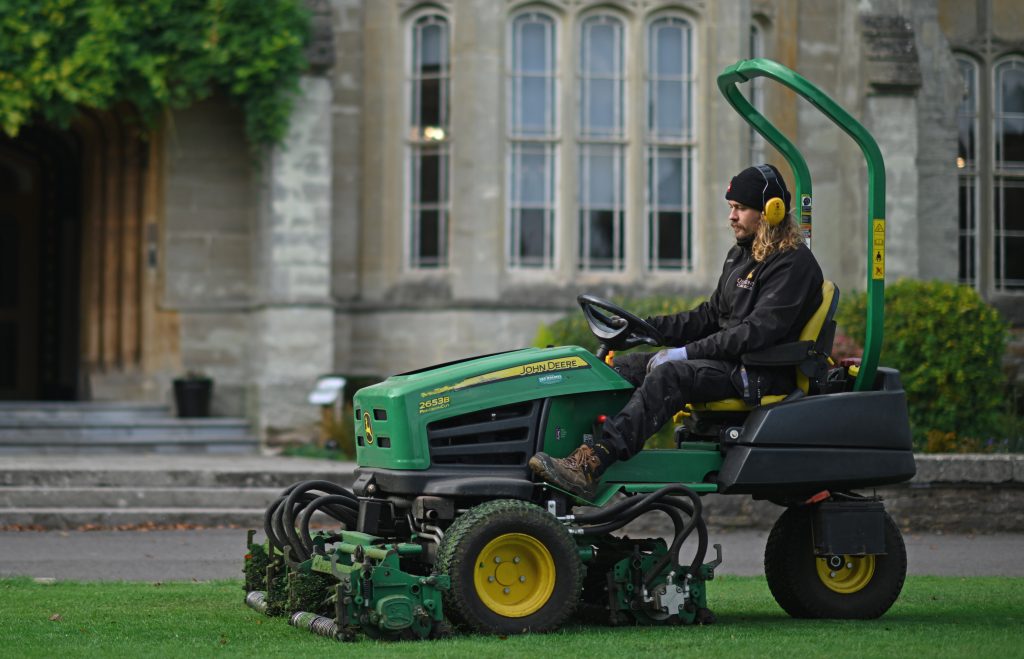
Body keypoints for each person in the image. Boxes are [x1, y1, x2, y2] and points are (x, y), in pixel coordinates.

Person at [529, 164, 824, 499]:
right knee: (619, 369)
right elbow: (710, 315)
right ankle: (563, 453)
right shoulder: (740, 256)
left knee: (669, 375)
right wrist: (645, 328)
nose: (732, 217)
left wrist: (685, 353)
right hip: (729, 363)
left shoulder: (792, 264)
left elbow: (754, 333)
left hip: (757, 372)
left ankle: (592, 463)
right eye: (731, 208)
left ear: (771, 211)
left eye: (740, 209)